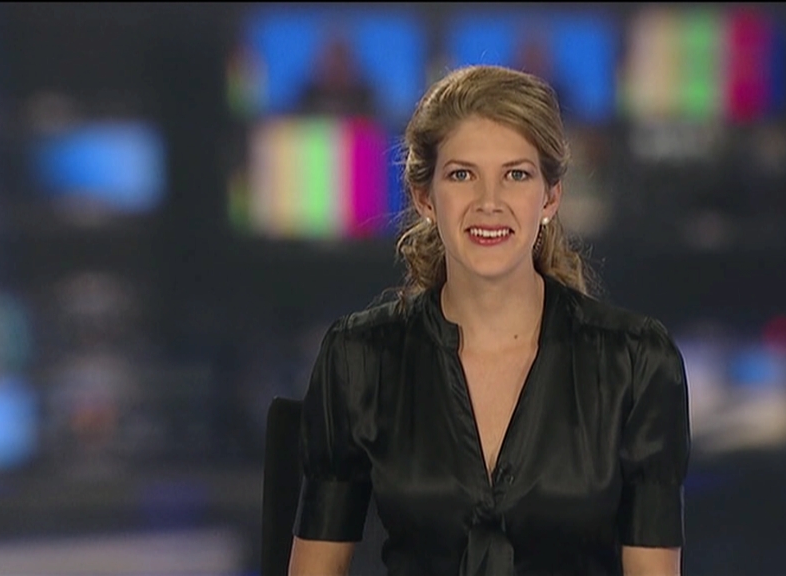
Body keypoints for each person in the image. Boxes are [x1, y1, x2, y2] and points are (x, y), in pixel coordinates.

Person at [288, 64, 691, 576]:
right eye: (462, 175)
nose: (489, 203)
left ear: (550, 196)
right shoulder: (359, 361)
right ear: (425, 197)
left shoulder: (636, 364)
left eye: (516, 175)